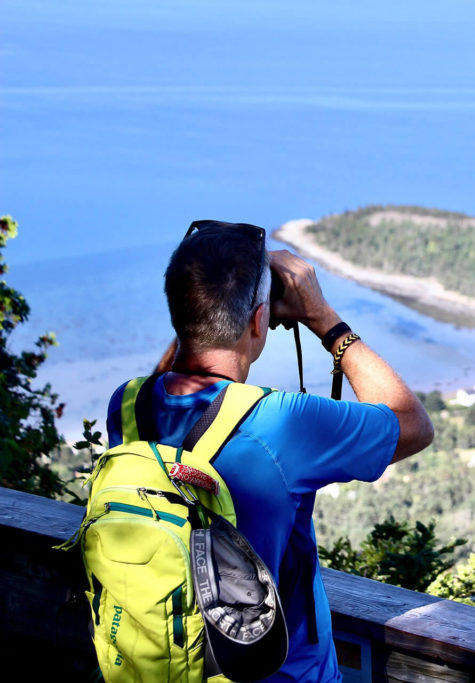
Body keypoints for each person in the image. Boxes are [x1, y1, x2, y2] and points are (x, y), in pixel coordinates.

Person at [105, 221, 433, 681]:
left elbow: (175, 376)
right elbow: (413, 425)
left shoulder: (127, 404)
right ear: (260, 321)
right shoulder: (279, 423)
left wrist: (203, 308)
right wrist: (324, 319)